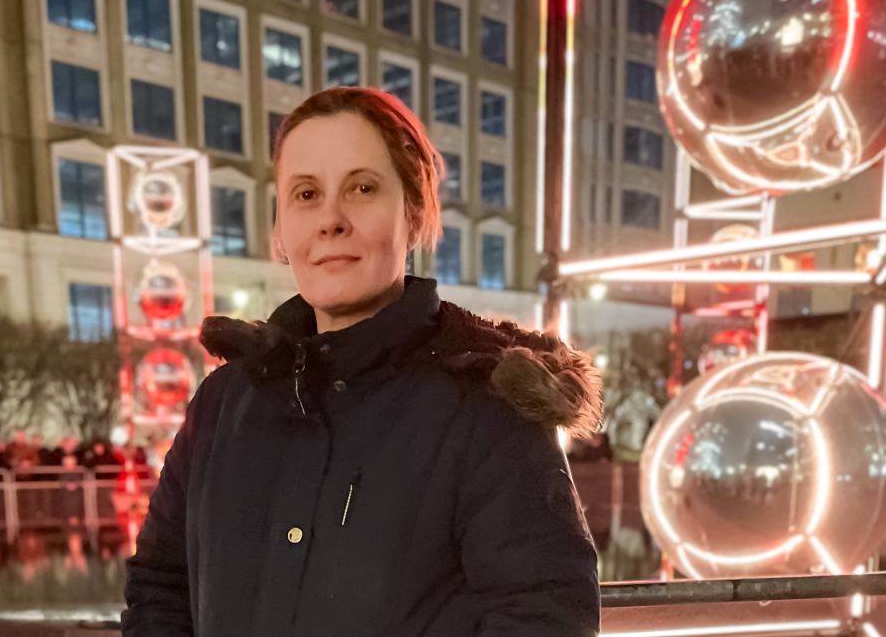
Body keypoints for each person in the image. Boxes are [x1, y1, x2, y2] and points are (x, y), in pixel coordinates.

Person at [122, 87, 602, 637]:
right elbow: (159, 584)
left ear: (413, 213)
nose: (331, 219)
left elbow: (544, 617)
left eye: (363, 188)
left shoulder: (485, 412)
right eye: (306, 194)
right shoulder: (223, 403)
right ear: (281, 229)